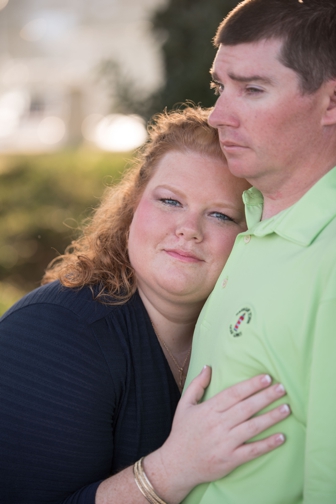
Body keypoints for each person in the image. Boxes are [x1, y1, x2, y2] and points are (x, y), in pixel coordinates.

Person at [0, 107, 290, 504]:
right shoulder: (52, 333)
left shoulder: (243, 331)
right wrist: (173, 468)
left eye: (221, 215)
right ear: (134, 203)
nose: (189, 229)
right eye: (171, 201)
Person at [184, 1, 336, 503]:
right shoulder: (245, 222)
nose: (217, 115)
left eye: (252, 89)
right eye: (219, 87)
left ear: (331, 103)